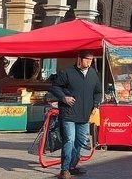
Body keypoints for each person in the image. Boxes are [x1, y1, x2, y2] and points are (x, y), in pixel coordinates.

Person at [48, 51, 101, 179]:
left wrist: (95, 104)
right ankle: (64, 169)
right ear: (79, 59)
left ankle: (73, 165)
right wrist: (63, 97)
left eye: (91, 60)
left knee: (81, 141)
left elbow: (98, 91)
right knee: (70, 140)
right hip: (68, 113)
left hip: (84, 114)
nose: (89, 63)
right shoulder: (67, 72)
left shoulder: (93, 74)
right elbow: (54, 86)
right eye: (86, 60)